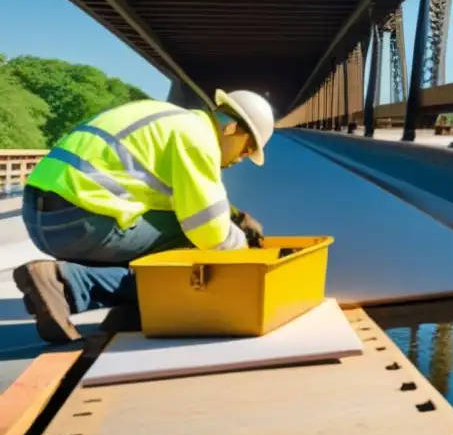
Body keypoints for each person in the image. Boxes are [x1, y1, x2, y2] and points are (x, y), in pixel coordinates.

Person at [14, 89, 275, 344]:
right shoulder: (198, 140)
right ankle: (72, 283)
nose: (242, 159)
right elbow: (210, 231)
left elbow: (180, 198)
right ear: (232, 129)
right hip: (80, 220)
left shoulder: (173, 119)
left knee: (181, 223)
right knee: (194, 238)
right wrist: (243, 252)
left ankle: (71, 288)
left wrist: (235, 215)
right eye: (247, 149)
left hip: (42, 217)